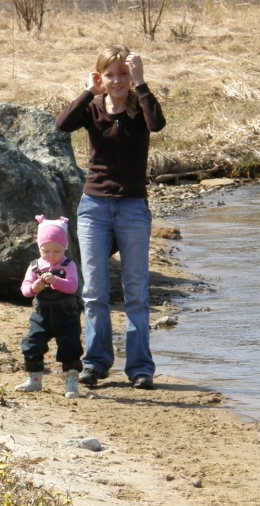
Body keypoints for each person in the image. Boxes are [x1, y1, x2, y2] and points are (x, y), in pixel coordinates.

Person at [55, 44, 166, 390]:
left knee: (136, 292)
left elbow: (157, 124)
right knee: (94, 291)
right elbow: (62, 124)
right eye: (110, 74)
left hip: (133, 208)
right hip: (94, 208)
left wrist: (142, 83)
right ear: (100, 76)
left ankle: (140, 368)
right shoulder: (92, 108)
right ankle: (96, 363)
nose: (117, 81)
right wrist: (88, 91)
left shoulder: (140, 107)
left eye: (123, 74)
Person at [15, 215, 83, 398]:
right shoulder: (34, 266)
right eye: (46, 251)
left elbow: (72, 286)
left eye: (57, 251)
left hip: (66, 315)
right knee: (32, 344)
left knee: (70, 346)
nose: (51, 255)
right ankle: (34, 380)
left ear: (64, 248)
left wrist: (56, 281)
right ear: (39, 248)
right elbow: (25, 290)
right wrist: (35, 287)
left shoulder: (68, 265)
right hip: (42, 315)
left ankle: (71, 385)